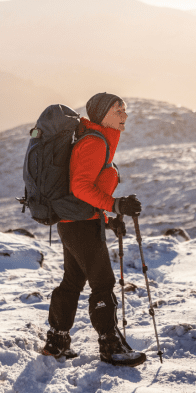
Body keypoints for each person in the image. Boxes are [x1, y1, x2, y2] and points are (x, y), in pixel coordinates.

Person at [42, 92, 146, 367]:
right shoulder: (94, 143)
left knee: (72, 282)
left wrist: (110, 220)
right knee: (103, 284)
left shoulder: (98, 141)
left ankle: (56, 343)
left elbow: (85, 192)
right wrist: (116, 204)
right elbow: (81, 187)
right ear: (102, 116)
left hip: (77, 223)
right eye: (118, 111)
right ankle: (110, 346)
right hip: (80, 226)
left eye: (125, 110)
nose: (124, 116)